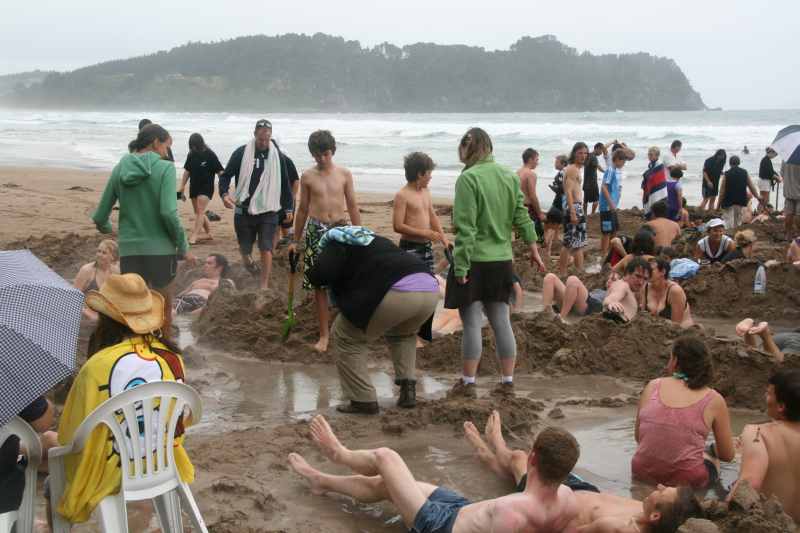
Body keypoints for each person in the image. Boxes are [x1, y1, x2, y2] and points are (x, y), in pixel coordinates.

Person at [53, 273, 193, 524]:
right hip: (162, 462)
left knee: (54, 470)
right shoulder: (173, 358)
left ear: (105, 319)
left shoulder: (97, 367)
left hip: (110, 471)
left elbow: (70, 435)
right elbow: (181, 419)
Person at [289, 414, 581, 533]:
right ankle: (321, 481)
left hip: (439, 525)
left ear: (532, 458)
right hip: (464, 510)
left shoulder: (512, 514)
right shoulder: (568, 499)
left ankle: (339, 454)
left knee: (386, 457)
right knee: (386, 484)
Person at [464, 411, 703, 533]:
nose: (659, 486)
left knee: (519, 458)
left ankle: (493, 448)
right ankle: (493, 457)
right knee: (532, 460)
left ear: (656, 516)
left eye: (664, 492)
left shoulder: (622, 527)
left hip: (553, 502)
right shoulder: (654, 511)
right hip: (582, 490)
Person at [445, 128, 545, 399]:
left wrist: (461, 267)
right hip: (502, 260)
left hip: (475, 261)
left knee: (471, 323)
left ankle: (468, 383)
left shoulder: (468, 178)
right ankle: (508, 381)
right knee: (501, 321)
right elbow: (521, 216)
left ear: (468, 149)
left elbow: (466, 229)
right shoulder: (509, 176)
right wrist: (534, 248)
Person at [306, 227, 437, 413]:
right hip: (429, 289)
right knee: (404, 334)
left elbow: (321, 274)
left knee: (345, 336)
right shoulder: (376, 240)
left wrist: (311, 270)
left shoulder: (335, 242)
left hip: (397, 291)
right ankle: (408, 391)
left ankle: (363, 399)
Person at [92, 124, 194, 337]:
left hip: (129, 251)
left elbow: (100, 216)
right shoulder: (165, 168)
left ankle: (135, 349)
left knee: (134, 309)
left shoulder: (120, 168)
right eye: (166, 146)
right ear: (156, 142)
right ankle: (162, 349)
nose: (167, 152)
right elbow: (168, 213)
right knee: (162, 307)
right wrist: (183, 246)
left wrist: (112, 230)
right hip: (161, 251)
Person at [289, 129, 361, 353]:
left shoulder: (344, 174)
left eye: (326, 154)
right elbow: (302, 209)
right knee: (319, 285)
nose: (322, 158)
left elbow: (352, 205)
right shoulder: (308, 176)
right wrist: (295, 240)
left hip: (340, 230)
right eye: (317, 155)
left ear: (333, 151)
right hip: (316, 230)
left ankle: (347, 330)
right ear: (312, 154)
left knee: (345, 281)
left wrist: (360, 233)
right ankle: (324, 335)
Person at [633, 336, 735, 489]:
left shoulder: (653, 386)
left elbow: (638, 437)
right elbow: (727, 455)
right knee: (712, 458)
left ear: (675, 361)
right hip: (686, 480)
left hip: (642, 471)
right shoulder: (714, 399)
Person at [219, 119, 298, 290]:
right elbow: (225, 176)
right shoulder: (241, 153)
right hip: (244, 209)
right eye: (261, 138)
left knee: (266, 247)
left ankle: (264, 284)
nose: (263, 142)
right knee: (245, 250)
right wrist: (224, 194)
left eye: (267, 138)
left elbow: (285, 183)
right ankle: (250, 265)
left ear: (270, 136)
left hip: (268, 210)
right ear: (254, 134)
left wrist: (288, 207)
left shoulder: (277, 156)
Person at [730, 368, 800, 522]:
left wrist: (724, 509)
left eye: (768, 393)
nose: (765, 397)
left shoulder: (757, 432)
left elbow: (751, 482)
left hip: (772, 525)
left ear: (781, 406)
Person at [393, 152, 449, 273]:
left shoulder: (426, 191)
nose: (431, 177)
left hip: (426, 245)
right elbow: (397, 226)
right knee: (412, 277)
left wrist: (444, 239)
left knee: (428, 275)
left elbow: (432, 216)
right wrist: (424, 233)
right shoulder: (402, 195)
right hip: (410, 246)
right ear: (420, 174)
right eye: (429, 173)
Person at [179, 133, 224, 245]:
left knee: (200, 210)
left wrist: (224, 187)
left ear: (200, 144)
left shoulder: (210, 155)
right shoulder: (191, 154)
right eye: (192, 146)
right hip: (194, 186)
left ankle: (194, 235)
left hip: (206, 187)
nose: (193, 148)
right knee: (199, 212)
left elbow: (220, 171)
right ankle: (208, 234)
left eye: (195, 146)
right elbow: (187, 171)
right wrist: (182, 186)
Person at [558, 142, 589, 277]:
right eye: (580, 153)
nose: (583, 156)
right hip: (574, 208)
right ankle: (564, 273)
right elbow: (568, 192)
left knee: (577, 243)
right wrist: (572, 212)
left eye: (585, 153)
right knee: (570, 244)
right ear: (574, 154)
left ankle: (578, 271)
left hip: (576, 207)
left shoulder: (575, 168)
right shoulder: (572, 169)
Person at [73, 239, 120, 322]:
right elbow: (73, 298)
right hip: (85, 316)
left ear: (112, 257)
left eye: (104, 253)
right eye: (98, 251)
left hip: (105, 315)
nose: (99, 255)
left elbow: (118, 296)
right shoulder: (86, 270)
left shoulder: (116, 271)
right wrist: (88, 313)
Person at [642, 258, 694, 328]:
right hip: (658, 329)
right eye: (646, 270)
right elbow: (642, 317)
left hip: (683, 331)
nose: (646, 273)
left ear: (663, 272)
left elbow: (676, 325)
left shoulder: (675, 291)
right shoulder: (645, 287)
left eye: (651, 270)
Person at [716, 155, 762, 229]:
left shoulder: (726, 174)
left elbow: (722, 192)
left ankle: (729, 234)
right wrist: (757, 196)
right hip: (740, 201)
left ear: (730, 163)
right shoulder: (744, 173)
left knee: (728, 222)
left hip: (728, 201)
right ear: (739, 163)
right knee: (737, 222)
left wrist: (718, 205)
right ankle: (736, 234)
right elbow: (752, 187)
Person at [541, 272, 607, 321]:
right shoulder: (598, 290)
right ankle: (545, 314)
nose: (609, 281)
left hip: (591, 305)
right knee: (550, 277)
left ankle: (561, 318)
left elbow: (609, 302)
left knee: (572, 280)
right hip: (575, 301)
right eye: (609, 279)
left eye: (612, 279)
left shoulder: (610, 293)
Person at [603, 257, 651, 323]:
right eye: (638, 276)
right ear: (628, 273)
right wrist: (611, 302)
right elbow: (610, 299)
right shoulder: (623, 285)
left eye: (645, 279)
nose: (641, 282)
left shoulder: (632, 290)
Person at [599, 149, 626, 259]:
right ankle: (604, 254)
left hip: (612, 207)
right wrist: (610, 203)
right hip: (607, 207)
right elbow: (604, 187)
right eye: (623, 161)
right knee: (606, 232)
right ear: (618, 159)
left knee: (614, 230)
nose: (624, 164)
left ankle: (610, 253)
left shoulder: (614, 170)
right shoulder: (610, 170)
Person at [517, 148, 546, 242]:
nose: (537, 163)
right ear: (530, 159)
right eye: (536, 160)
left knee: (523, 236)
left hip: (519, 206)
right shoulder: (530, 174)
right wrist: (540, 213)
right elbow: (532, 196)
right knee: (536, 238)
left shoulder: (518, 172)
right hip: (529, 208)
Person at [543, 154, 568, 261]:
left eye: (556, 162)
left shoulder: (562, 173)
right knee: (553, 227)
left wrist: (555, 188)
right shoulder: (567, 171)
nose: (555, 164)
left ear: (563, 163)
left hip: (558, 204)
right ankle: (549, 250)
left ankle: (546, 252)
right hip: (563, 205)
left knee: (548, 227)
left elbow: (563, 189)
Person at [758, 147, 782, 212]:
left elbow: (772, 171)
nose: (775, 156)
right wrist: (777, 178)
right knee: (765, 199)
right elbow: (770, 173)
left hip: (763, 181)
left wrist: (777, 175)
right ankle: (760, 212)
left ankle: (761, 212)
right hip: (764, 181)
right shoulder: (766, 160)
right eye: (775, 154)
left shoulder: (767, 160)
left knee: (764, 199)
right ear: (771, 152)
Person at [782, 160, 800, 241]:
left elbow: (782, 173)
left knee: (789, 213)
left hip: (788, 190)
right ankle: (798, 233)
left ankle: (788, 234)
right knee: (798, 214)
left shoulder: (786, 158)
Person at [583, 143, 602, 216]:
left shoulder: (588, 155)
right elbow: (598, 166)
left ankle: (585, 214)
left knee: (585, 200)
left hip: (586, 182)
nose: (601, 153)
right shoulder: (594, 157)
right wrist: (605, 171)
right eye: (601, 151)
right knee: (596, 199)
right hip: (592, 183)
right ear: (597, 149)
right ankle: (592, 213)